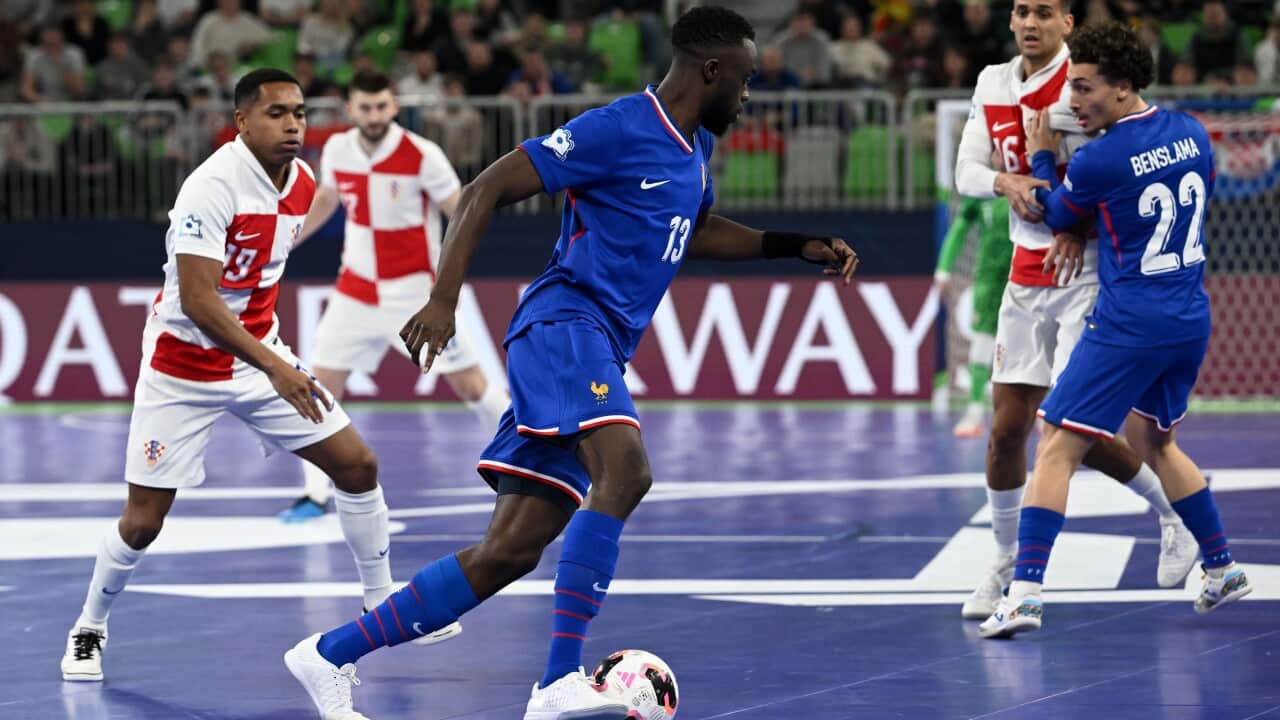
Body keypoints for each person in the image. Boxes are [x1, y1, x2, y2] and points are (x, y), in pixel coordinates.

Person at [283, 7, 858, 719]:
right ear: (711, 70)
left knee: (509, 551)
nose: (747, 96)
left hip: (597, 343)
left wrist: (792, 244)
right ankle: (557, 681)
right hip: (562, 324)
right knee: (628, 470)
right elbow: (485, 188)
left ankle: (327, 654)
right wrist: (442, 299)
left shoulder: (695, 147)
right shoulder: (618, 127)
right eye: (744, 80)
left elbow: (695, 229)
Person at [58, 69, 398, 683]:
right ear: (242, 122)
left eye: (299, 112)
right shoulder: (210, 187)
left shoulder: (302, 182)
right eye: (276, 113)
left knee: (357, 465)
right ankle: (89, 626)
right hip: (182, 369)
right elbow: (198, 300)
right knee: (142, 522)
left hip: (259, 357)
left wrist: (270, 357)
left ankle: (381, 602)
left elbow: (263, 270)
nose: (293, 124)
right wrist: (276, 366)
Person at [979, 21, 1252, 638]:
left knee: (1056, 444)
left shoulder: (1100, 157)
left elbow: (1052, 212)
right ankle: (1222, 566)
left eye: (1083, 87)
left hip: (1130, 322)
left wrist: (1042, 152)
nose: (1072, 101)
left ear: (1123, 87)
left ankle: (1023, 595)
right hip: (1189, 316)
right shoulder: (1191, 130)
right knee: (1158, 443)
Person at [953, 0, 1199, 622]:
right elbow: (965, 172)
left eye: (1043, 12)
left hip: (1087, 272)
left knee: (1067, 433)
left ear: (1067, 22)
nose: (1029, 23)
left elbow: (1125, 165)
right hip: (1024, 271)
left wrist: (1071, 222)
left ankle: (1172, 515)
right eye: (1020, 11)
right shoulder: (991, 82)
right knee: (1006, 431)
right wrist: (1006, 182)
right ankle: (1003, 560)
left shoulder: (1086, 85)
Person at [277, 70, 507, 528]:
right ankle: (314, 494)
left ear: (394, 106)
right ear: (351, 109)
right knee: (316, 387)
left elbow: (461, 212)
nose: (374, 116)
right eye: (365, 108)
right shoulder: (338, 149)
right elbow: (327, 199)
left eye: (382, 106)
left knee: (472, 386)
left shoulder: (423, 154)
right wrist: (287, 241)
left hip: (414, 297)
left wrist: (446, 286)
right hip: (355, 292)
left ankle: (531, 469)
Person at [935, 196, 1013, 438]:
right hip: (989, 278)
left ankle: (1045, 411)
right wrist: (944, 268)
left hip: (1026, 276)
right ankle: (974, 412)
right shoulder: (981, 190)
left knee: (1039, 339)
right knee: (982, 342)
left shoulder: (1032, 182)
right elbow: (959, 229)